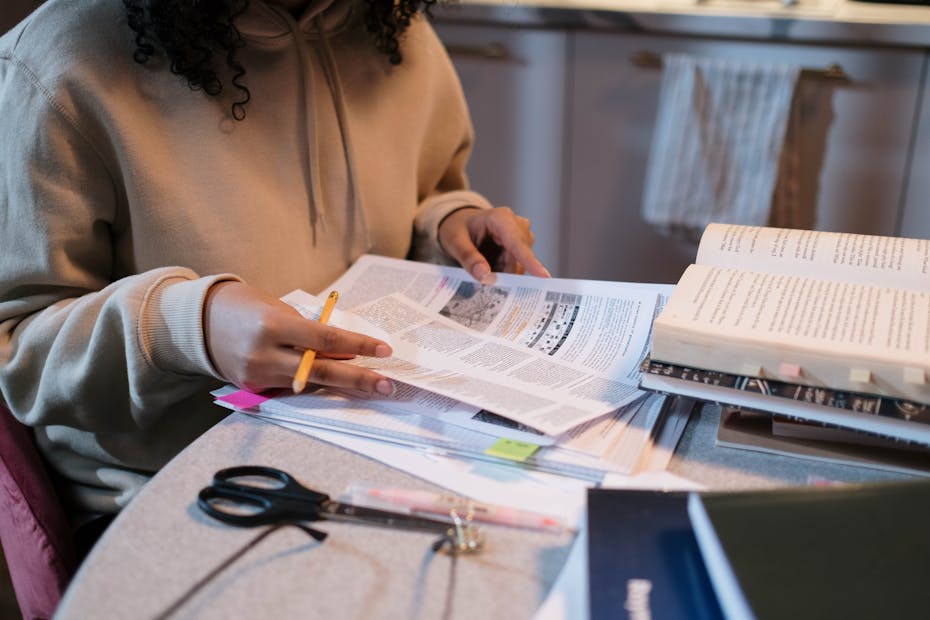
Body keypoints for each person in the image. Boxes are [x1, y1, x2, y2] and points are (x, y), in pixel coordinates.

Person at [0, 0, 549, 526]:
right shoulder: (56, 66)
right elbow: (19, 353)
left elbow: (422, 194)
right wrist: (188, 328)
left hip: (381, 443)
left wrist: (449, 224)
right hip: (182, 492)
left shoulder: (392, 26)